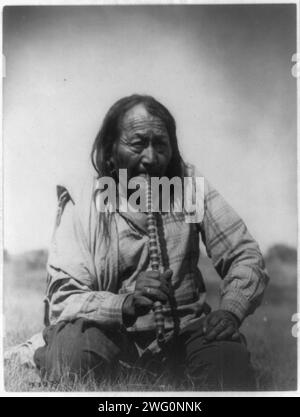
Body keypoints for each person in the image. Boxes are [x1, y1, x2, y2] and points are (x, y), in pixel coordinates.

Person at [9, 94, 269, 390]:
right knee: (72, 356)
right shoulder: (85, 201)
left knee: (228, 363)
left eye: (161, 144)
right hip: (109, 335)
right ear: (110, 152)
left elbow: (244, 255)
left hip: (184, 334)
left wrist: (231, 310)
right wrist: (125, 303)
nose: (151, 158)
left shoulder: (186, 187)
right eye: (137, 144)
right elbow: (65, 297)